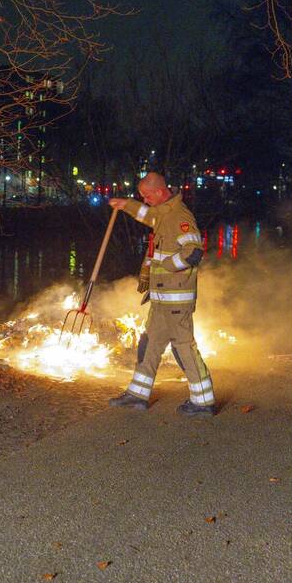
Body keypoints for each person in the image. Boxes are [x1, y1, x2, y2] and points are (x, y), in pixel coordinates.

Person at [107, 172, 216, 417]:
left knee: (184, 347)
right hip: (161, 299)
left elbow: (193, 251)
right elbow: (147, 215)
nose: (144, 201)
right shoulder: (163, 212)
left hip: (177, 300)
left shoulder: (180, 216)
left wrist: (167, 265)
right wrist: (126, 205)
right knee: (150, 343)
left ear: (159, 192)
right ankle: (137, 395)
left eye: (146, 196)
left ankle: (203, 402)